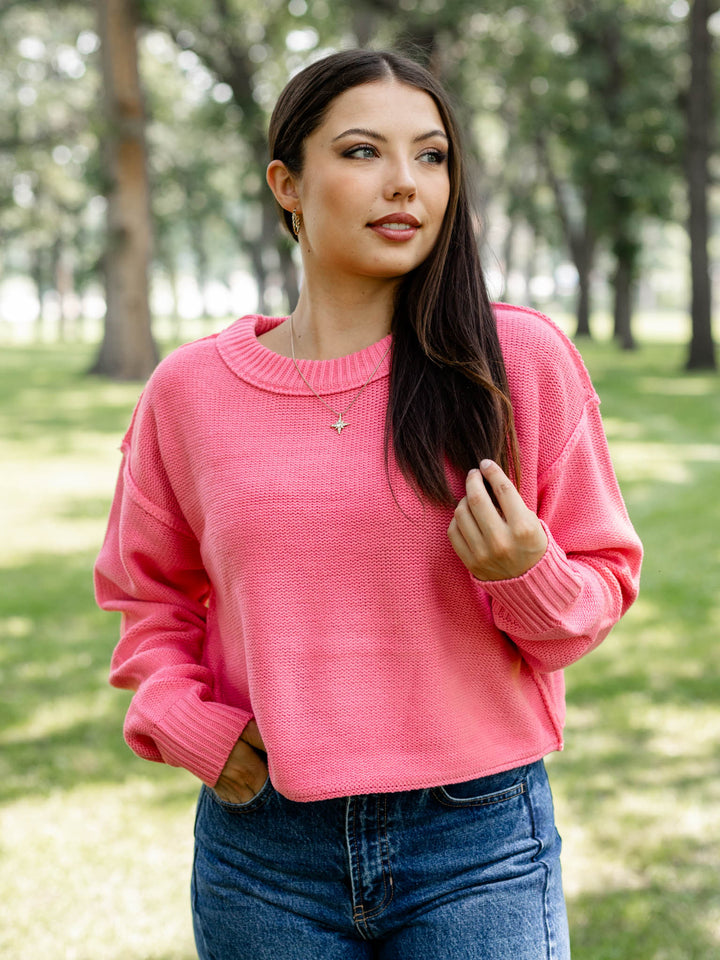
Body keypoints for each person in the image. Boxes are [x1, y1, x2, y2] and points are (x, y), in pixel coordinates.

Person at [94, 48, 642, 960]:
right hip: (264, 851)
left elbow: (596, 593)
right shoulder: (189, 392)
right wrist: (188, 722)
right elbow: (144, 594)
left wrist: (526, 576)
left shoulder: (518, 363)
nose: (404, 184)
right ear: (287, 184)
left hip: (477, 844)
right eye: (361, 152)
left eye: (431, 157)